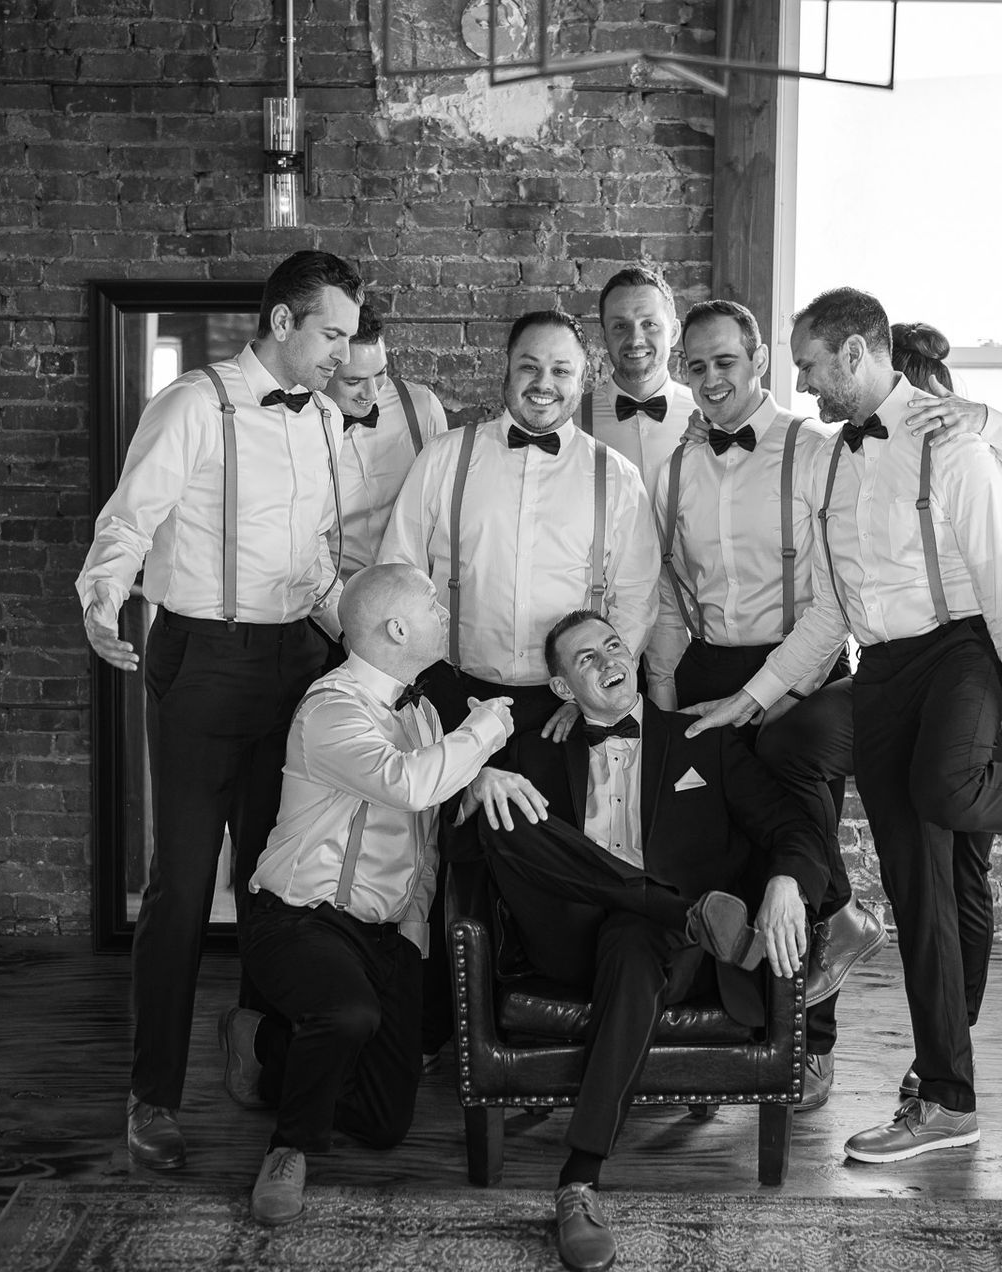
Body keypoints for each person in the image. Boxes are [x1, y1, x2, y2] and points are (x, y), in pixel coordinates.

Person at [685, 287, 1002, 1165]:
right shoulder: (830, 464)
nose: (803, 383)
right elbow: (831, 613)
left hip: (964, 652)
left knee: (949, 785)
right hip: (884, 671)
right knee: (918, 893)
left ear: (859, 356)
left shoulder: (958, 447)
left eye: (811, 365)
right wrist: (753, 697)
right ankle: (947, 1101)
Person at [463, 610, 866, 1272]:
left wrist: (789, 884)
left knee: (635, 932)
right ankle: (683, 911)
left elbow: (795, 827)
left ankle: (580, 1178)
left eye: (613, 646)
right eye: (584, 659)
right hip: (566, 940)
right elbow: (465, 843)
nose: (606, 660)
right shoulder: (532, 751)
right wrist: (479, 776)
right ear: (564, 689)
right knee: (501, 814)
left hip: (663, 957)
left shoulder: (700, 740)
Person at [75, 249, 361, 1170]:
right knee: (184, 885)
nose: (343, 357)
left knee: (280, 883)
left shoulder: (324, 420)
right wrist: (100, 599)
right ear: (283, 322)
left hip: (298, 660)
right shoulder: (194, 404)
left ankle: (266, 1053)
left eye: (351, 339)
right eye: (333, 335)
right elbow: (129, 518)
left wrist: (359, 629)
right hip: (202, 659)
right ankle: (151, 1093)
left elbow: (319, 550)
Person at [220, 563, 516, 1224]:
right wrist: (488, 731)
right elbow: (406, 783)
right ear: (397, 626)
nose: (445, 613)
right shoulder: (331, 707)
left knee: (385, 1121)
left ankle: (265, 1046)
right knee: (348, 1015)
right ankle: (287, 1151)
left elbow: (427, 827)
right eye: (434, 605)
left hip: (386, 932)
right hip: (301, 919)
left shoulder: (425, 712)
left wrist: (415, 924)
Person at [643, 298, 883, 1112]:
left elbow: (835, 603)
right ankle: (728, 1041)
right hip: (708, 666)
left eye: (726, 363)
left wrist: (760, 696)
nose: (710, 379)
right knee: (719, 856)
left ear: (759, 364)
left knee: (799, 855)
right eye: (696, 365)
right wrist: (668, 699)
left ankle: (810, 1048)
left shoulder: (817, 453)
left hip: (800, 667)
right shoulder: (672, 467)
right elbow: (671, 595)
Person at [378, 309, 661, 736]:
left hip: (567, 708)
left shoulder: (617, 477)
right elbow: (398, 574)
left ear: (581, 382)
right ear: (506, 370)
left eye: (561, 371)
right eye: (530, 366)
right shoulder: (443, 458)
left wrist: (589, 691)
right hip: (453, 696)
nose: (544, 383)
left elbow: (636, 598)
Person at [326, 304, 451, 583]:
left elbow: (445, 507)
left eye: (380, 373)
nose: (371, 393)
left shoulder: (421, 407)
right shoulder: (299, 424)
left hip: (412, 590)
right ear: (325, 369)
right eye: (354, 380)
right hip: (330, 597)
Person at [577, 265, 694, 492]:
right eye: (620, 326)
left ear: (673, 332)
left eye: (649, 324)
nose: (635, 339)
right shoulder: (573, 422)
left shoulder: (707, 418)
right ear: (604, 337)